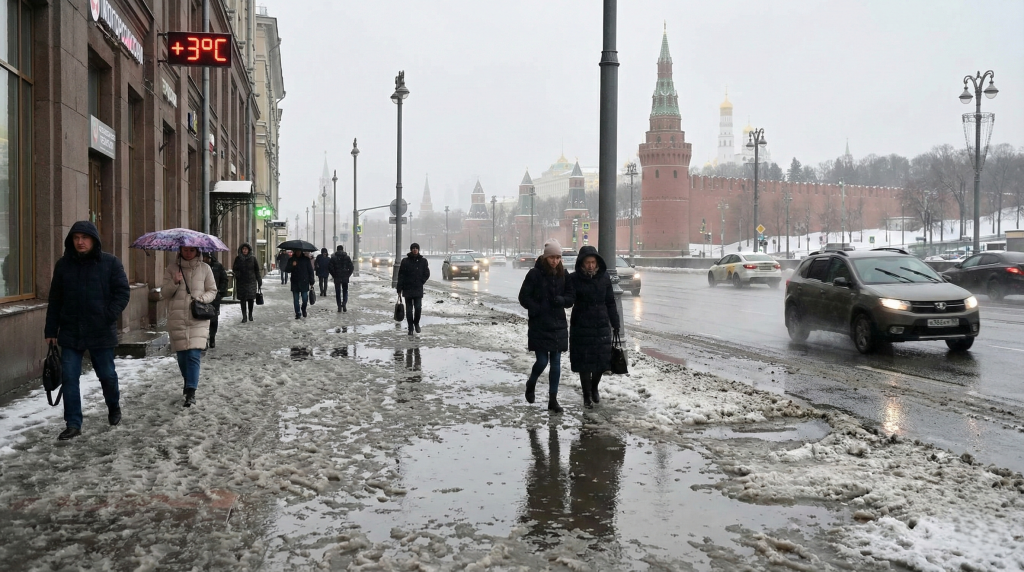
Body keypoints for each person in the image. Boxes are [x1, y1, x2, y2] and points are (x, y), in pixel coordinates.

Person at [44, 221, 131, 440]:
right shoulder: (63, 265)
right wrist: (50, 330)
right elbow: (55, 299)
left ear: (94, 240)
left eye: (84, 237)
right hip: (71, 331)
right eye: (76, 238)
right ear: (71, 241)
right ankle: (73, 423)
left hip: (100, 331)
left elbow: (122, 293)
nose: (80, 242)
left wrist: (107, 315)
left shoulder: (110, 263)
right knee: (70, 378)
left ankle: (113, 407)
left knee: (107, 376)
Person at [518, 239, 574, 413]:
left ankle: (553, 399)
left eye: (558, 257)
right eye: (552, 257)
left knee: (556, 362)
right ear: (545, 257)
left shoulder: (563, 275)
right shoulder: (534, 274)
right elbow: (523, 297)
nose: (555, 261)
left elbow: (571, 298)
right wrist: (536, 308)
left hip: (558, 324)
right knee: (542, 361)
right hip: (540, 323)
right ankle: (531, 383)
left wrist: (563, 300)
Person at [161, 246, 218, 407]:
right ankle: (188, 382)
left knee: (193, 354)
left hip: (197, 317)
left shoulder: (205, 268)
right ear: (180, 250)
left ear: (197, 251)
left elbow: (212, 290)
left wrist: (201, 299)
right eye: (185, 250)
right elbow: (164, 293)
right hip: (177, 317)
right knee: (182, 357)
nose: (188, 253)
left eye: (191, 250)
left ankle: (191, 391)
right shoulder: (172, 269)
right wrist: (174, 282)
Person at [567, 245, 619, 408]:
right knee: (584, 362)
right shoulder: (574, 278)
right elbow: (569, 299)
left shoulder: (604, 278)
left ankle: (594, 386)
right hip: (581, 324)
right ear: (582, 263)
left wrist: (615, 322)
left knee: (601, 361)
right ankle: (586, 395)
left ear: (597, 262)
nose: (590, 265)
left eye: (593, 262)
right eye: (587, 262)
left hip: (601, 324)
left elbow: (610, 301)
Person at [396, 242, 430, 335]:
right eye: (413, 248)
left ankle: (416, 323)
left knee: (418, 308)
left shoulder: (423, 261)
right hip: (407, 288)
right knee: (409, 310)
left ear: (418, 250)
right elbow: (401, 275)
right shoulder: (405, 261)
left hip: (418, 288)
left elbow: (426, 273)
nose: (415, 249)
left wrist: (421, 281)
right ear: (411, 250)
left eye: (416, 248)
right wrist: (399, 289)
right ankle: (410, 327)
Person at [201, 252, 229, 348]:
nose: (204, 259)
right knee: (203, 318)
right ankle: (204, 340)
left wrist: (220, 292)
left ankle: (212, 337)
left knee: (214, 318)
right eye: (203, 257)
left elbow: (224, 279)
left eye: (206, 257)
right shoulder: (199, 267)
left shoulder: (217, 266)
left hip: (215, 297)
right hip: (202, 297)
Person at [232, 242, 262, 322]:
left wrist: (259, 280)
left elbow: (257, 270)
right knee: (242, 300)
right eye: (243, 249)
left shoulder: (253, 259)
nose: (244, 250)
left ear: (249, 250)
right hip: (241, 282)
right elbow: (234, 269)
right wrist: (237, 274)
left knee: (250, 299)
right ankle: (244, 316)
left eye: (246, 249)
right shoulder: (238, 259)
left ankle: (250, 314)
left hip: (251, 282)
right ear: (241, 250)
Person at [288, 250, 315, 319]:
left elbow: (310, 271)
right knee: (296, 299)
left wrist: (311, 282)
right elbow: (287, 269)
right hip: (295, 282)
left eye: (299, 251)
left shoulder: (306, 260)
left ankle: (303, 309)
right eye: (297, 251)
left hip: (304, 282)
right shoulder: (291, 259)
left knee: (305, 299)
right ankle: (298, 313)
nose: (298, 253)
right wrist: (292, 266)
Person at [329, 245, 354, 312]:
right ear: (343, 250)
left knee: (338, 292)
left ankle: (339, 306)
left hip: (337, 277)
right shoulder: (347, 257)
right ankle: (344, 303)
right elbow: (351, 267)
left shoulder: (333, 258)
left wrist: (334, 275)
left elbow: (330, 268)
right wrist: (348, 274)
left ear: (337, 250)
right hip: (345, 277)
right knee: (345, 291)